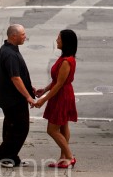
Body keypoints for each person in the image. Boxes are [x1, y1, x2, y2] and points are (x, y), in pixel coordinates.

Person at [0, 25, 36, 168]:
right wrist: (28, 96)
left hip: (10, 97)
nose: (25, 37)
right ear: (13, 36)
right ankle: (0, 156)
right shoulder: (10, 54)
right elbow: (15, 78)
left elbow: (19, 75)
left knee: (11, 127)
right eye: (23, 34)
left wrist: (30, 88)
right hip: (13, 99)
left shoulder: (8, 49)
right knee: (20, 128)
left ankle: (11, 157)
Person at [34, 30, 79, 169]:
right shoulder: (65, 58)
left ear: (65, 42)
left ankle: (69, 157)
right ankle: (63, 158)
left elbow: (59, 84)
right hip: (63, 92)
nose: (56, 40)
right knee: (63, 125)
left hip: (61, 95)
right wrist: (45, 89)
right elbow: (57, 81)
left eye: (59, 38)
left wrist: (43, 99)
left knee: (52, 129)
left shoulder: (66, 61)